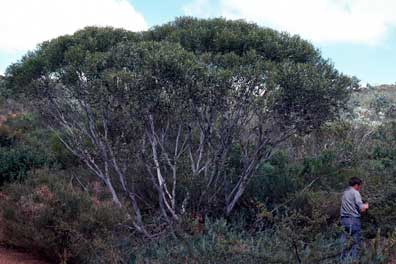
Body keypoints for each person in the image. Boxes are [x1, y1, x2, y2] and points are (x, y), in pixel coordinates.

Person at [340, 177, 369, 260]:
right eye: (360, 186)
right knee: (355, 244)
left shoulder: (345, 192)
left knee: (343, 244)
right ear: (356, 185)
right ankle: (354, 261)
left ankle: (342, 260)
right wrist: (366, 206)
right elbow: (362, 209)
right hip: (353, 220)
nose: (360, 188)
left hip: (343, 220)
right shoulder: (355, 193)